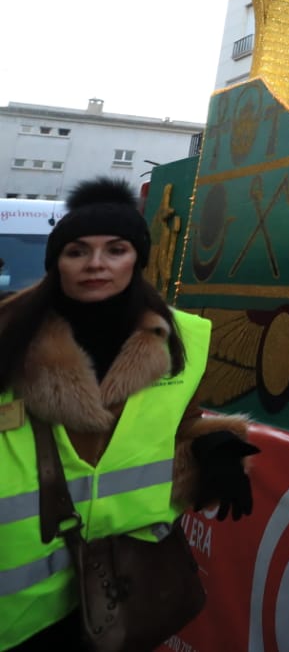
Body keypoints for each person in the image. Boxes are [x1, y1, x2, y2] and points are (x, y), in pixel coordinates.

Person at [0, 178, 256, 652]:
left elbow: (178, 422)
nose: (96, 264)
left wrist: (214, 445)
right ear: (57, 262)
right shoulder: (9, 335)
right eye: (77, 251)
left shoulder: (183, 338)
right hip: (16, 607)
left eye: (115, 249)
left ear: (136, 258)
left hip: (122, 589)